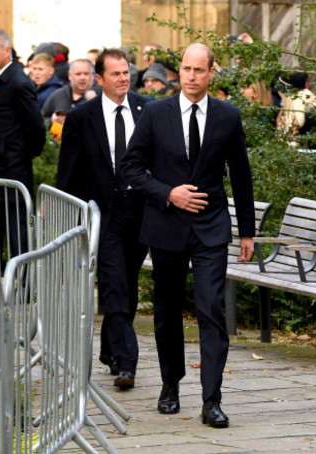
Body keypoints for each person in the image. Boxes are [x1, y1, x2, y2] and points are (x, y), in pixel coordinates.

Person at [121, 43, 255, 428]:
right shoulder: (155, 112)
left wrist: (246, 230)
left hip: (211, 227)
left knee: (212, 309)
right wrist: (168, 193)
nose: (192, 76)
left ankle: (211, 399)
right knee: (166, 310)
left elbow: (241, 176)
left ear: (212, 72)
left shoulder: (228, 116)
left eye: (199, 69)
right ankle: (170, 385)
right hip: (165, 225)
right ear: (178, 72)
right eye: (185, 69)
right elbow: (131, 168)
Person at [56, 48, 152, 390]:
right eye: (115, 74)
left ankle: (110, 351)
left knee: (126, 282)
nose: (124, 78)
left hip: (139, 212)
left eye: (126, 72)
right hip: (102, 213)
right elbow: (67, 169)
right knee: (113, 283)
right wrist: (65, 213)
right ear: (100, 79)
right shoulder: (82, 117)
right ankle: (127, 362)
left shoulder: (147, 110)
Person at [0, 28, 46, 276]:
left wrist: (29, 153)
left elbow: (36, 126)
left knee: (17, 232)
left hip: (11, 169)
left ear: (6, 51)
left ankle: (23, 285)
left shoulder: (18, 82)